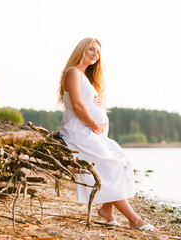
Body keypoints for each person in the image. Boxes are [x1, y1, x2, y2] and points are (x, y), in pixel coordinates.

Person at [58, 37, 157, 232]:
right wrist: (95, 124)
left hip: (90, 132)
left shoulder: (85, 77)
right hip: (78, 133)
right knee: (111, 165)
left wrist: (98, 106)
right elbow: (77, 105)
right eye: (91, 49)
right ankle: (135, 220)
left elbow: (84, 102)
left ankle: (106, 210)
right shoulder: (72, 72)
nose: (95, 54)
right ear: (82, 50)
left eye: (98, 52)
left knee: (123, 160)